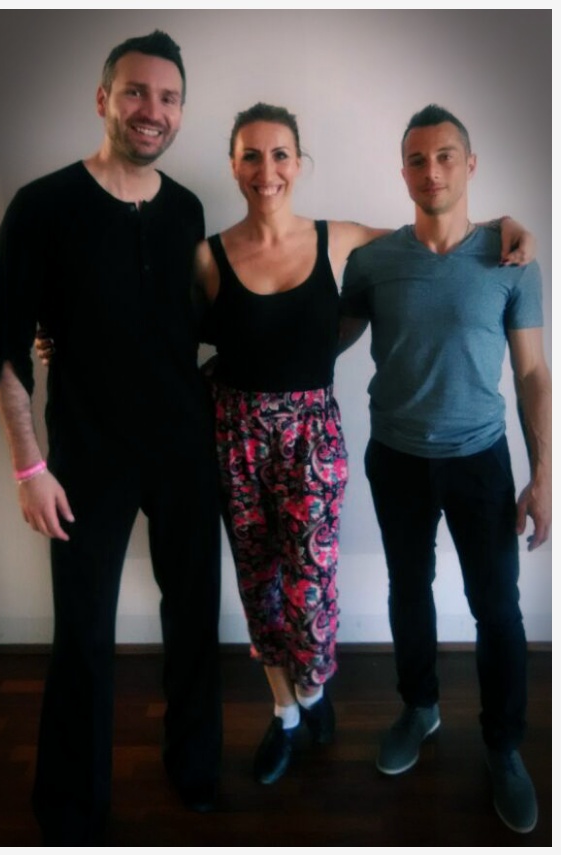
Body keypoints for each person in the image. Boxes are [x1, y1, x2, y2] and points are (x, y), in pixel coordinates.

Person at [189, 102, 533, 788]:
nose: (266, 169)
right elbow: (173, 337)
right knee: (293, 585)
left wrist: (506, 222)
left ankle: (480, 740)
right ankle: (332, 710)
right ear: (233, 164)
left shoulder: (365, 242)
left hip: (389, 448)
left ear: (299, 163)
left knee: (337, 591)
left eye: (279, 154)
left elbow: (527, 365)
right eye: (251, 154)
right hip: (289, 444)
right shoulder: (224, 257)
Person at [0, 31, 223, 845]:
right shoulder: (42, 205)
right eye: (135, 92)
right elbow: (3, 348)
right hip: (86, 453)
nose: (152, 110)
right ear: (103, 99)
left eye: (168, 97)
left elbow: (189, 323)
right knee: (83, 633)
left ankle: (195, 768)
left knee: (194, 617)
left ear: (181, 111)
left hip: (184, 446)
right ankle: (70, 809)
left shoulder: (187, 209)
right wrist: (29, 467)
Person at [339, 104, 551, 834]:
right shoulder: (373, 262)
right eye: (417, 159)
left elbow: (532, 374)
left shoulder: (511, 257)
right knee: (409, 588)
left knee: (497, 608)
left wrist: (543, 476)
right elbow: (317, 342)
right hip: (395, 457)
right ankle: (419, 707)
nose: (431, 170)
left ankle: (504, 747)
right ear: (402, 171)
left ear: (469, 164)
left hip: (479, 460)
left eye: (445, 156)